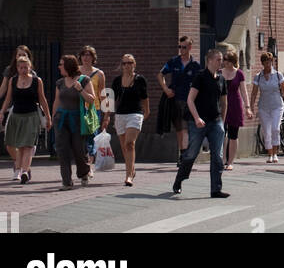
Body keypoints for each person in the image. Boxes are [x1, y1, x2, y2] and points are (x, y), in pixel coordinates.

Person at [172, 48, 229, 198]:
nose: (220, 62)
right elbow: (190, 100)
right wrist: (197, 118)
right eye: (218, 59)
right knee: (191, 153)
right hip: (198, 122)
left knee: (217, 155)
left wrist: (222, 121)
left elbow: (224, 102)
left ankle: (216, 189)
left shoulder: (221, 79)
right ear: (209, 60)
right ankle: (179, 180)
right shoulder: (200, 77)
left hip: (216, 122)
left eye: (221, 59)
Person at [0, 52, 51, 184]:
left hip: (31, 117)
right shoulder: (13, 80)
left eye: (25, 67)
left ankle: (24, 171)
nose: (23, 70)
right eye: (20, 67)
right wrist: (2, 112)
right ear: (17, 67)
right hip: (16, 116)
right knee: (18, 146)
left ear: (30, 67)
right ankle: (19, 169)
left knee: (27, 145)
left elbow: (43, 100)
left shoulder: (37, 81)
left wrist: (48, 117)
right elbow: (8, 98)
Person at [0, 45, 34, 172]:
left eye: (25, 55)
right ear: (15, 57)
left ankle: (22, 167)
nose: (22, 57)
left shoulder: (32, 74)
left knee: (23, 141)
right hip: (11, 108)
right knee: (10, 141)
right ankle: (20, 162)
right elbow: (3, 89)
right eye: (19, 54)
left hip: (26, 111)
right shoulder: (9, 71)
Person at [52, 54, 97, 189]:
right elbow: (57, 101)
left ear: (68, 66)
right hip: (61, 120)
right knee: (62, 150)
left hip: (77, 119)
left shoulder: (84, 80)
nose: (59, 67)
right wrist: (52, 117)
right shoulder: (60, 83)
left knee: (79, 150)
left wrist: (80, 90)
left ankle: (84, 173)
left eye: (61, 64)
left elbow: (91, 99)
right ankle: (66, 181)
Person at [158, 35, 200, 162]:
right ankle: (182, 153)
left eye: (184, 47)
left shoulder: (195, 65)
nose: (181, 49)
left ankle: (185, 154)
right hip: (176, 99)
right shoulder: (174, 61)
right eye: (179, 47)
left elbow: (200, 82)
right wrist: (166, 89)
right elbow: (160, 74)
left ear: (190, 48)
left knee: (186, 127)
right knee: (179, 128)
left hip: (190, 101)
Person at [110, 54, 149, 186]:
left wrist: (147, 111)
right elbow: (111, 99)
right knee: (123, 146)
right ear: (121, 65)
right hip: (120, 115)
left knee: (129, 143)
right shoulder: (116, 81)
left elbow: (144, 97)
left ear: (134, 64)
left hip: (135, 114)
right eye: (124, 63)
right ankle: (131, 169)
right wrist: (106, 116)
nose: (127, 65)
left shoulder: (140, 80)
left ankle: (128, 176)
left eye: (130, 63)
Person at [251, 52, 284, 164]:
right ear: (262, 63)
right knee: (266, 131)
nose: (268, 64)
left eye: (270, 62)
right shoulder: (258, 76)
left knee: (275, 129)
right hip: (264, 107)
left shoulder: (278, 75)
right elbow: (254, 93)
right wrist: (251, 106)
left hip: (277, 106)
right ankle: (270, 154)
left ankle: (276, 153)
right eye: (266, 62)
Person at [220, 47, 250, 170]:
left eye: (226, 60)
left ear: (232, 61)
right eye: (224, 60)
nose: (224, 62)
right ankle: (222, 159)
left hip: (235, 105)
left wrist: (247, 107)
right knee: (222, 133)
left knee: (233, 134)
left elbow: (244, 92)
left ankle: (230, 161)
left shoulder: (239, 73)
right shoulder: (219, 72)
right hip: (221, 105)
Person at [79, 46, 106, 165]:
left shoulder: (99, 74)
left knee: (92, 137)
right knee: (80, 138)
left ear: (93, 57)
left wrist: (107, 115)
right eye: (83, 54)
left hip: (94, 109)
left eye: (88, 55)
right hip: (79, 109)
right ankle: (84, 161)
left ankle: (89, 164)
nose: (86, 57)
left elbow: (103, 94)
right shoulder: (76, 71)